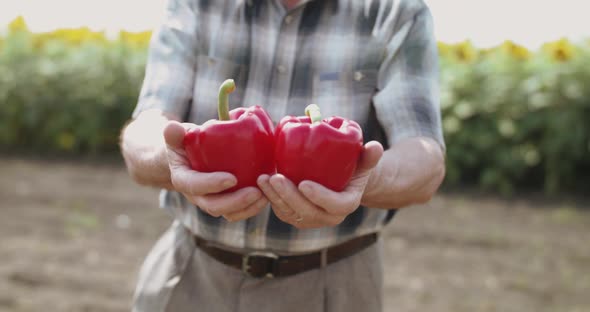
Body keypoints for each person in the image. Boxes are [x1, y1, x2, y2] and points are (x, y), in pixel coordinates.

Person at [120, 0, 446, 311]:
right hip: (193, 274)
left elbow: (425, 161)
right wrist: (171, 158)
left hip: (335, 286)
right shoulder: (198, 3)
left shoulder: (395, 10)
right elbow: (146, 128)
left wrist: (362, 179)